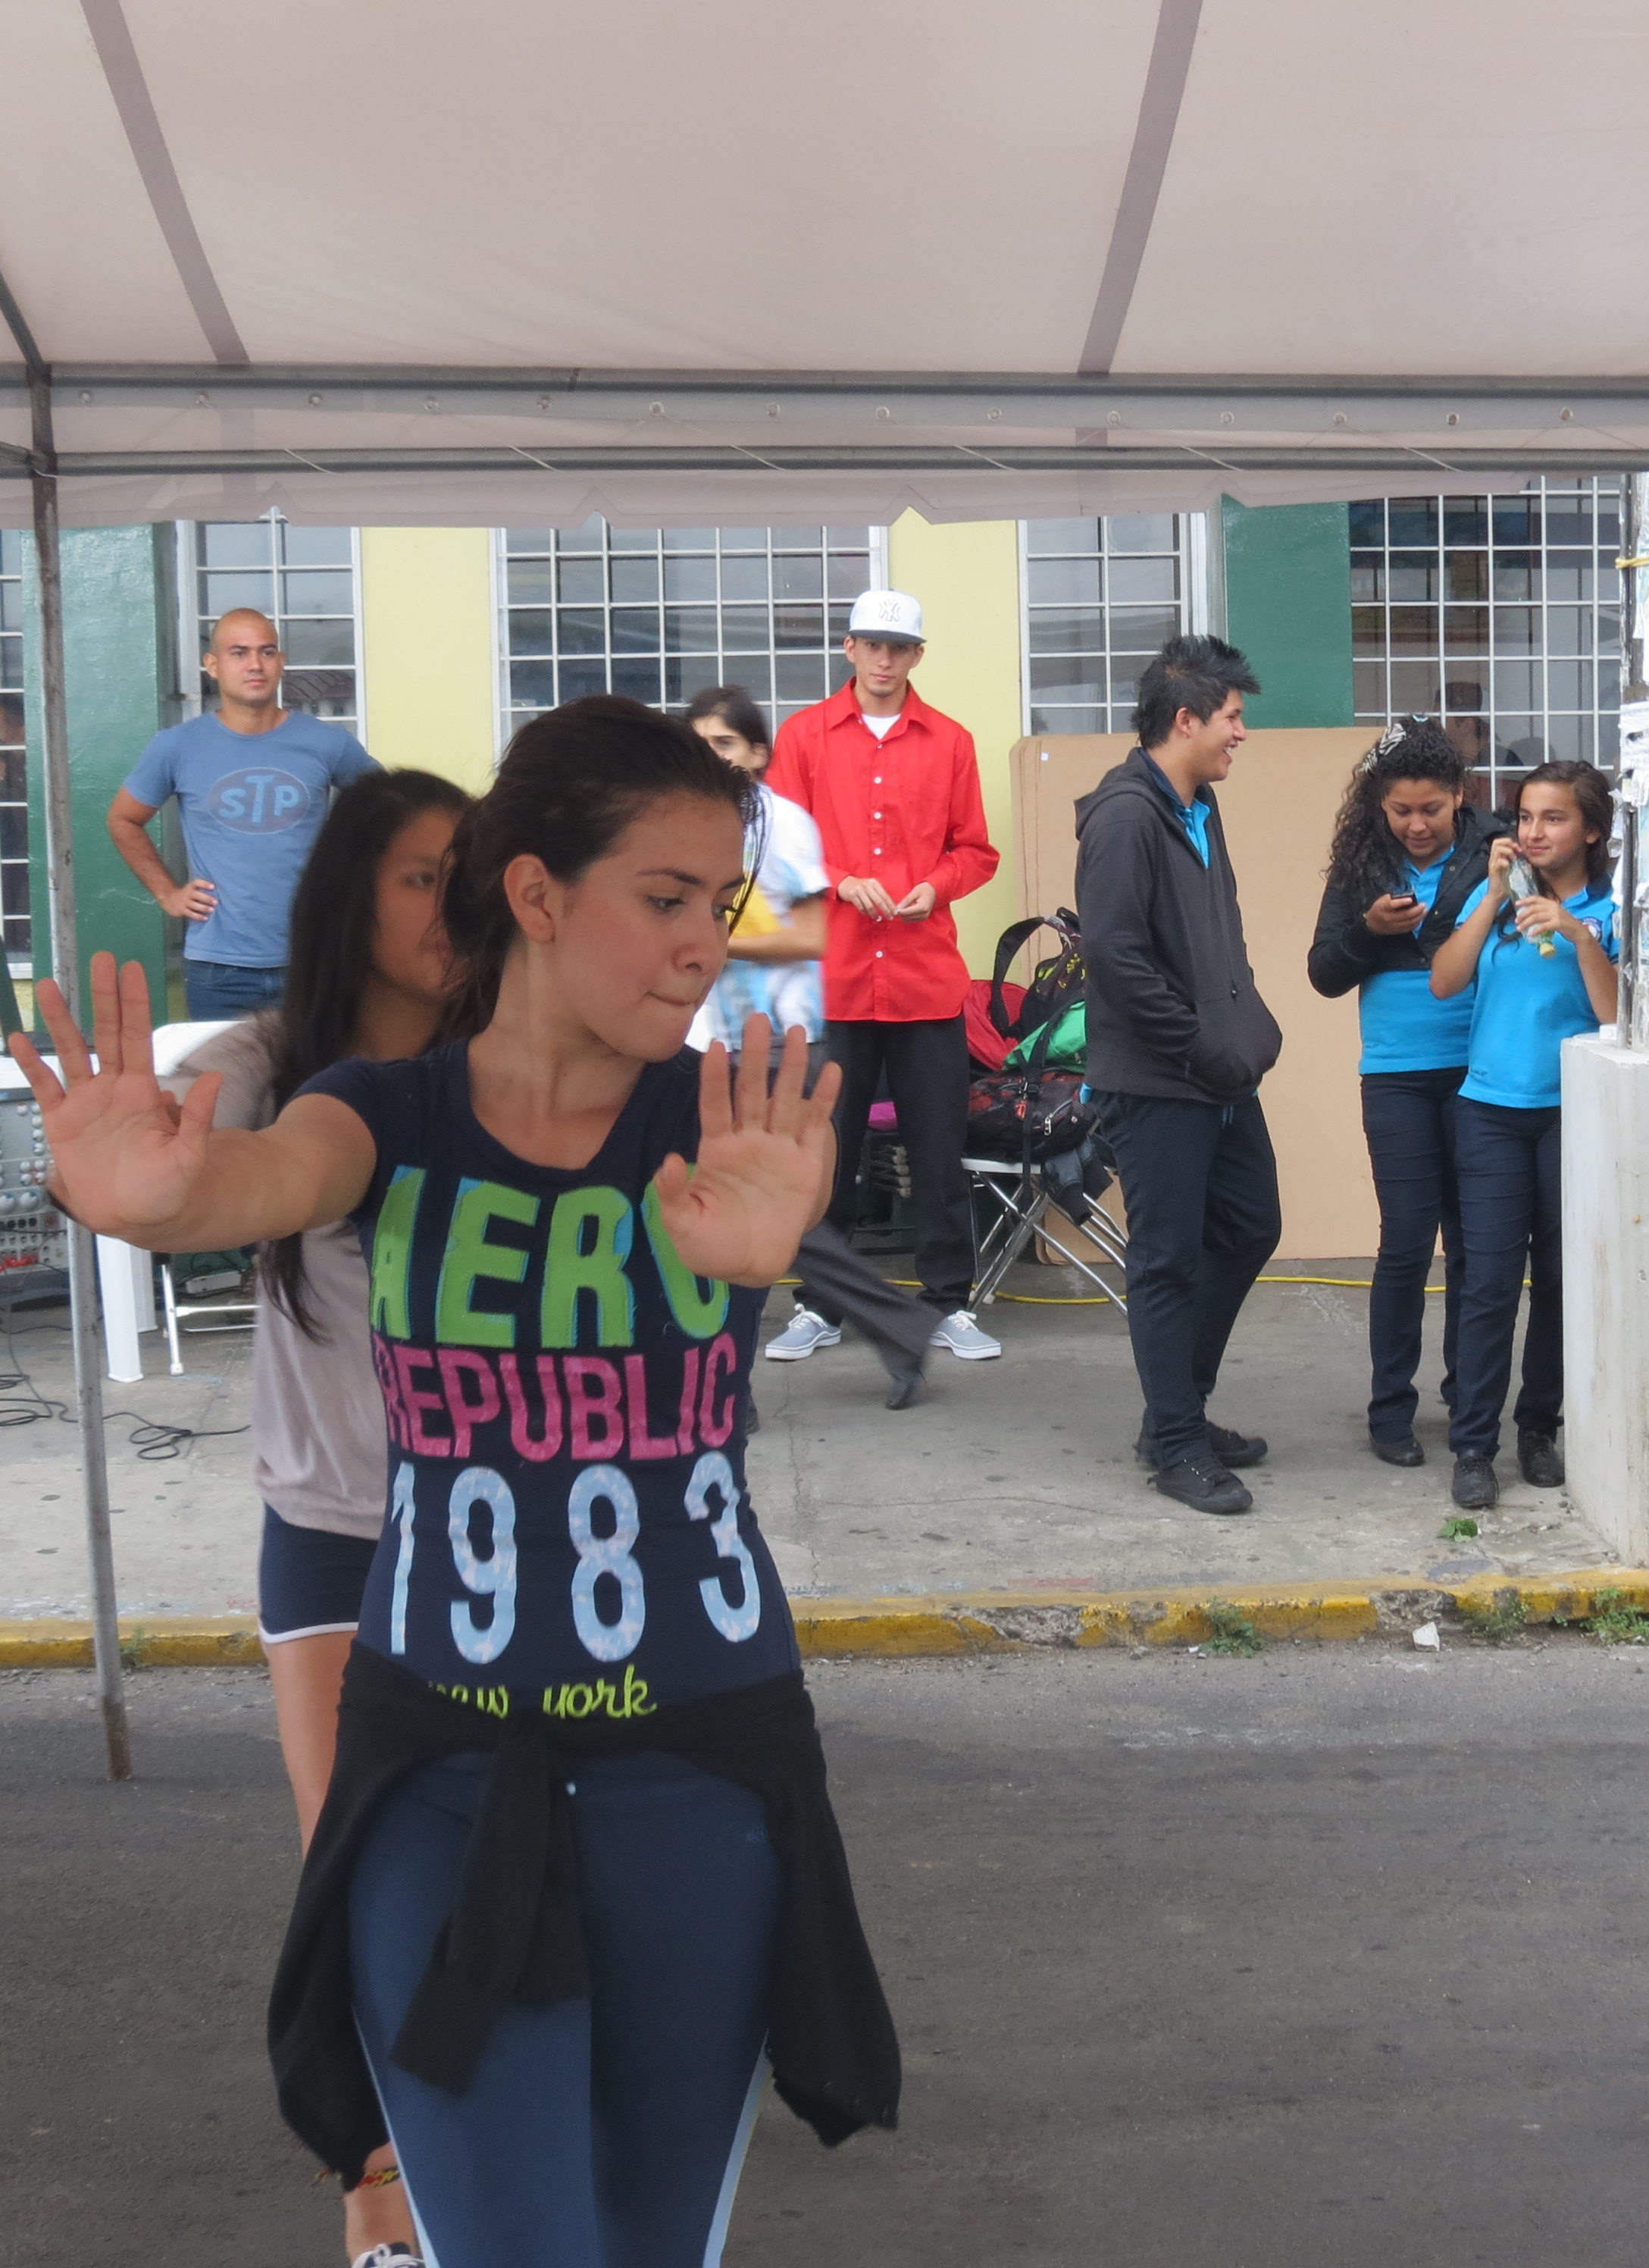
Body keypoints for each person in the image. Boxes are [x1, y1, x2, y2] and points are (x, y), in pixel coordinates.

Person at [14, 696, 898, 2264]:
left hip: (701, 1766)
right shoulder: (387, 1108)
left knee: (645, 2242)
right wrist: (156, 1194)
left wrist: (774, 1253)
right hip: (434, 1770)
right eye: (665, 897)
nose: (706, 942)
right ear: (538, 893)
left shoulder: (724, 1123)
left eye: (722, 902)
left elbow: (761, 1229)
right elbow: (268, 1171)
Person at [174, 766, 467, 2268]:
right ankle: (374, 2191)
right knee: (356, 1872)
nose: (451, 904)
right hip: (337, 1533)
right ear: (353, 891)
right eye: (422, 875)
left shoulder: (512, 1069)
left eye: (470, 874)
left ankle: (501, 2159)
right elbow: (196, 1162)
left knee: (515, 1863)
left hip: (498, 1532)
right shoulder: (272, 1057)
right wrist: (149, 1167)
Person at [763, 589, 1004, 1364]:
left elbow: (975, 849)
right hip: (832, 978)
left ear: (917, 656)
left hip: (923, 976)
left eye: (898, 647)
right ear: (847, 647)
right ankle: (820, 1299)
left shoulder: (951, 742)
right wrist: (837, 879)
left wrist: (937, 884)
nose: (883, 659)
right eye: (871, 643)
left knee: (938, 1149)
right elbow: (776, 846)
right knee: (825, 1150)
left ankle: (946, 1301)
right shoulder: (803, 738)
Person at [1075, 634, 1282, 1516]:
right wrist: (1204, 1047)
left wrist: (1248, 1027)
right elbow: (1117, 960)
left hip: (1218, 1074)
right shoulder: (1126, 817)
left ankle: (1177, 1413)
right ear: (1186, 718)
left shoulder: (1199, 806)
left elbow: (1217, 936)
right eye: (1232, 718)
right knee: (1165, 1261)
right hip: (1160, 1081)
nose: (1241, 733)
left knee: (1247, 1226)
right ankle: (1174, 1442)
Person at [684, 684, 931, 1411]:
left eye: (724, 744)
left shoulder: (782, 824)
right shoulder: (693, 826)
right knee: (731, 1215)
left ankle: (738, 1379)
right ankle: (732, 1379)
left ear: (758, 753)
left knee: (764, 1216)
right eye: (699, 744)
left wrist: (711, 934)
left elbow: (811, 935)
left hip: (777, 1049)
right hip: (708, 1045)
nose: (711, 757)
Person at [1307, 719, 1504, 1466]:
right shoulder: (1363, 864)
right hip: (1394, 1074)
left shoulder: (1495, 852)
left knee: (1473, 1248)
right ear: (1379, 807)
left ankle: (1466, 1397)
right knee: (1404, 1243)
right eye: (1401, 811)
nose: (1417, 825)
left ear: (1460, 795)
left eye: (1431, 809)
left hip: (1480, 1074)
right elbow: (1324, 973)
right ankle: (1390, 1407)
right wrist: (1367, 930)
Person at [1426, 759, 1617, 1510]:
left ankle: (1538, 1429)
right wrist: (1492, 899)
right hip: (1489, 1110)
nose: (1533, 832)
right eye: (1525, 817)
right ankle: (1473, 1443)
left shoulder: (1608, 907)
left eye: (1554, 818)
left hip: (1572, 1112)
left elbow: (1612, 1011)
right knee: (1487, 1283)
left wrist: (1574, 931)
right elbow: (1443, 980)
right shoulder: (1494, 895)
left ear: (1590, 829)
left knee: (1561, 1281)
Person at [108, 607, 379, 1020]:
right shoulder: (177, 747)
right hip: (219, 972)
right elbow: (123, 820)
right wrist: (167, 893)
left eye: (266, 652)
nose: (255, 664)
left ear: (281, 662)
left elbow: (390, 813)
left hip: (313, 961)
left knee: (313, 1085)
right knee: (224, 1086)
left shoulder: (327, 744)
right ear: (212, 666)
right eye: (239, 653)